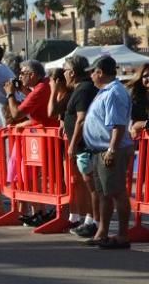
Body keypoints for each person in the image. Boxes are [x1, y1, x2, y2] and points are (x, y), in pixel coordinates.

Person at [81, 55, 133, 249]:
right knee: (104, 193)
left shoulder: (114, 93)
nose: (91, 76)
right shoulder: (105, 91)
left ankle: (122, 235)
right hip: (100, 150)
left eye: (92, 72)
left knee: (117, 192)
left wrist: (112, 149)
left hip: (111, 149)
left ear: (100, 72)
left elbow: (118, 125)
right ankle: (102, 232)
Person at [60, 56, 99, 238]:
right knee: (86, 185)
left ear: (72, 72)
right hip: (83, 146)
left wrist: (73, 143)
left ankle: (94, 222)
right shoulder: (79, 89)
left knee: (91, 185)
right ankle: (89, 221)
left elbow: (81, 119)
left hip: (85, 146)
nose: (63, 75)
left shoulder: (83, 90)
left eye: (65, 70)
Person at [6, 60, 55, 127]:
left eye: (22, 73)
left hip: (48, 131)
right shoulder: (46, 82)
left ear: (31, 75)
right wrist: (23, 89)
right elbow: (38, 99)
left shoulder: (40, 89)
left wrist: (10, 94)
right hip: (49, 128)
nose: (19, 76)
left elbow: (16, 114)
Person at [127, 63, 148, 139]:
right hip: (139, 141)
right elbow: (132, 125)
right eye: (145, 76)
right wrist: (145, 124)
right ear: (140, 78)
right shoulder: (135, 97)